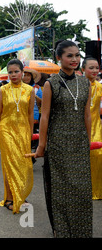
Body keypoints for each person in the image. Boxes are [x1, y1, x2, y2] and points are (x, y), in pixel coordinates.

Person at [33, 40, 92, 238]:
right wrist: (42, 145)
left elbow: (87, 115)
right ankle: (62, 230)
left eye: (77, 55)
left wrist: (88, 140)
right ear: (59, 58)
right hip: (58, 143)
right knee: (61, 189)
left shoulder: (85, 82)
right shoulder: (51, 83)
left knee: (82, 189)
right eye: (70, 55)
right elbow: (45, 116)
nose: (75, 59)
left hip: (79, 142)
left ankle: (82, 230)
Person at [0, 59, 35, 213]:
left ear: (23, 72)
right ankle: (10, 197)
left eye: (16, 71)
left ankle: (20, 193)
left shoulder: (30, 90)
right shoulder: (3, 90)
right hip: (6, 130)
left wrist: (30, 133)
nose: (13, 74)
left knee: (22, 163)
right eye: (10, 72)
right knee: (9, 163)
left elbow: (30, 114)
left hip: (23, 131)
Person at [82, 57, 102, 200]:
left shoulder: (100, 87)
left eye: (97, 68)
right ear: (83, 69)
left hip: (96, 127)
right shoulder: (77, 85)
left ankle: (97, 191)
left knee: (97, 156)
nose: (95, 71)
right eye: (91, 68)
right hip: (79, 126)